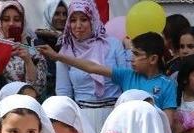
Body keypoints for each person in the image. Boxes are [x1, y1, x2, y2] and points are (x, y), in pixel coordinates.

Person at [39, 31, 177, 122]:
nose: (131, 59)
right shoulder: (127, 75)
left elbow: (167, 122)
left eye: (136, 54)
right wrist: (57, 56)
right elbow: (91, 67)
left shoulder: (167, 84)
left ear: (153, 59)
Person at [48, 0, 129, 133]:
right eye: (73, 20)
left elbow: (126, 81)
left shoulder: (113, 45)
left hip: (116, 116)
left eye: (84, 19)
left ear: (93, 20)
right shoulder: (65, 52)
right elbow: (64, 95)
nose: (78, 25)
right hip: (83, 119)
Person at [0, 1, 47, 95]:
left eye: (17, 19)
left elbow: (38, 90)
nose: (11, 23)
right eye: (6, 19)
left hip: (26, 105)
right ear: (0, 22)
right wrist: (2, 57)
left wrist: (28, 61)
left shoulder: (34, 52)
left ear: (23, 23)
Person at [35, 0, 68, 99]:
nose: (62, 18)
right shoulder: (39, 41)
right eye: (56, 14)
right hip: (49, 96)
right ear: (49, 14)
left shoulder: (73, 41)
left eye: (64, 14)